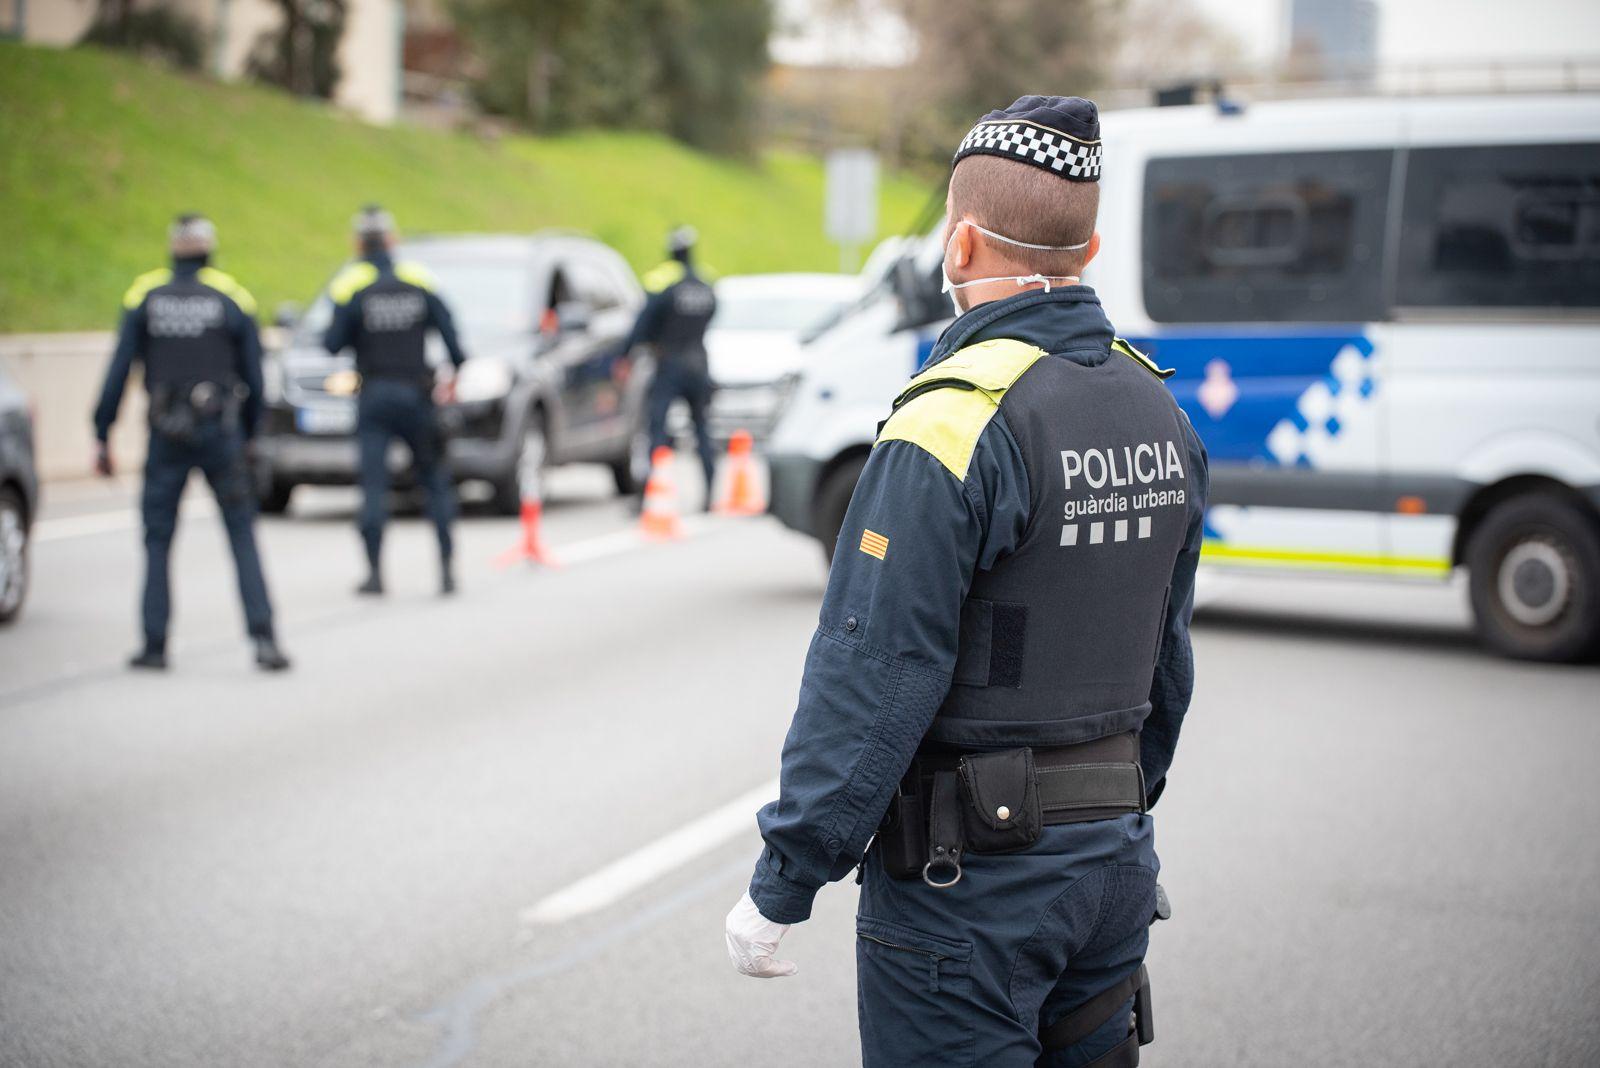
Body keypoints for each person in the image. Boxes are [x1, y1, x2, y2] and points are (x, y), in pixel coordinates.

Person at [724, 96, 1209, 1067]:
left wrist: (786, 879)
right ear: (1090, 246)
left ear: (960, 247)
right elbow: (1167, 656)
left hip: (972, 886)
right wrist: (1115, 811)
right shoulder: (1155, 407)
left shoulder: (949, 423)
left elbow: (875, 673)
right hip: (1111, 867)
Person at [93, 214, 291, 672]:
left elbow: (119, 370)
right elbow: (256, 377)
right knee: (241, 534)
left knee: (158, 541)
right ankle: (264, 640)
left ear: (172, 249)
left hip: (166, 435)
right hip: (220, 433)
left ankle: (154, 645)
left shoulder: (146, 296)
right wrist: (250, 434)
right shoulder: (231, 296)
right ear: (208, 249)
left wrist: (102, 432)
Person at [323, 206, 467, 596]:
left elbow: (330, 342)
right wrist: (454, 374)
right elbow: (454, 340)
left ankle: (374, 574)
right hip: (417, 396)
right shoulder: (418, 279)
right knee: (434, 482)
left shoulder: (351, 284)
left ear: (357, 244)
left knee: (373, 485)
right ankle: (447, 569)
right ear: (392, 240)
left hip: (374, 397)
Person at [624, 225, 718, 508]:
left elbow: (643, 322)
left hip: (670, 365)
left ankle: (647, 496)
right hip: (699, 365)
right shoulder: (705, 284)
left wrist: (626, 353)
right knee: (701, 430)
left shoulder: (664, 283)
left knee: (657, 431)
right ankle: (710, 494)